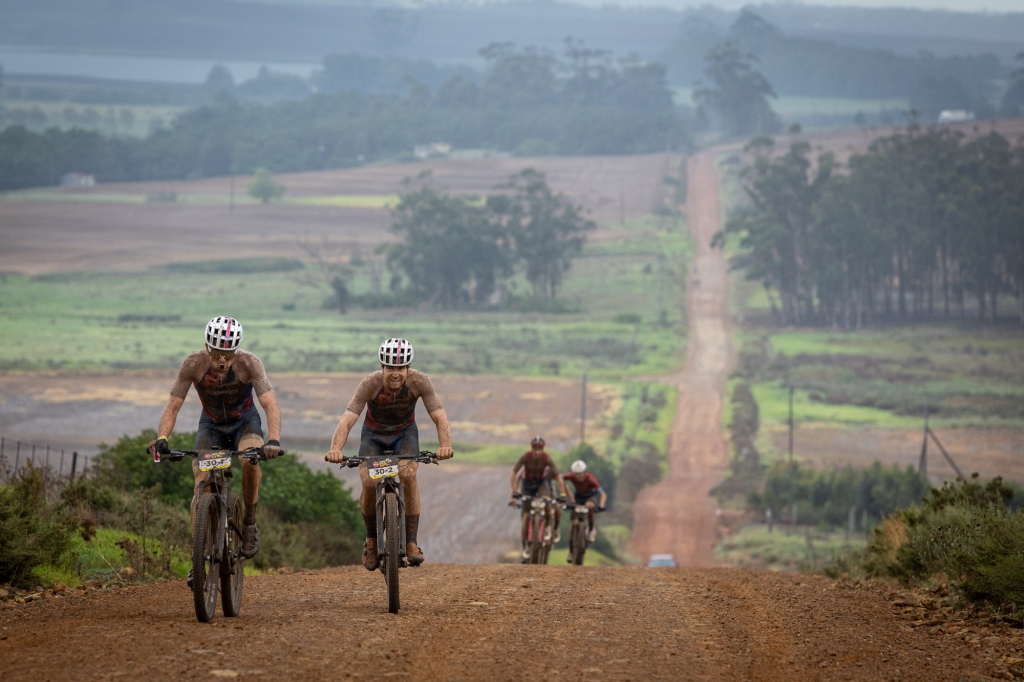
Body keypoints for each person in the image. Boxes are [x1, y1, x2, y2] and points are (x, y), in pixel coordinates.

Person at [148, 316, 282, 582]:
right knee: (201, 484)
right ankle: (198, 558)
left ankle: (249, 522)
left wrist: (274, 440)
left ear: (237, 350)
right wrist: (162, 437)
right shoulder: (193, 364)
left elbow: (269, 403)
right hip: (211, 426)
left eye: (229, 354)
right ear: (207, 347)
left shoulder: (249, 363)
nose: (223, 360)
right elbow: (173, 404)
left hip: (245, 422)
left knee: (248, 461)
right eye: (218, 353)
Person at [325, 338, 453, 570]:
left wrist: (445, 444)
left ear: (408, 368)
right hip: (373, 435)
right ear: (382, 367)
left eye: (401, 367)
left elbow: (439, 414)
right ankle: (372, 540)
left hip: (405, 434)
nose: (395, 373)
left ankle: (411, 541)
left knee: (409, 475)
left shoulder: (420, 382)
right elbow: (349, 417)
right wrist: (336, 449)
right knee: (367, 480)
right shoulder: (370, 384)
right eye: (390, 367)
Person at [509, 435, 567, 561]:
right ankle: (526, 546)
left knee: (546, 500)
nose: (537, 452)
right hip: (527, 484)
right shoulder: (525, 456)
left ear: (543, 449)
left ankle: (547, 527)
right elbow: (514, 472)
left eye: (540, 449)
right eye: (535, 449)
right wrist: (514, 491)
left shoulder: (546, 458)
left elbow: (558, 477)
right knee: (525, 516)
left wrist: (562, 495)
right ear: (532, 449)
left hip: (541, 484)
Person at [562, 459, 607, 545]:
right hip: (578, 497)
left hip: (590, 497)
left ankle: (591, 529)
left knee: (590, 507)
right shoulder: (570, 476)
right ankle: (571, 551)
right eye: (576, 474)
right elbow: (559, 478)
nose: (578, 476)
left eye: (580, 473)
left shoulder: (591, 479)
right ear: (573, 473)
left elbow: (602, 494)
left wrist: (601, 505)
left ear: (584, 472)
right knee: (573, 524)